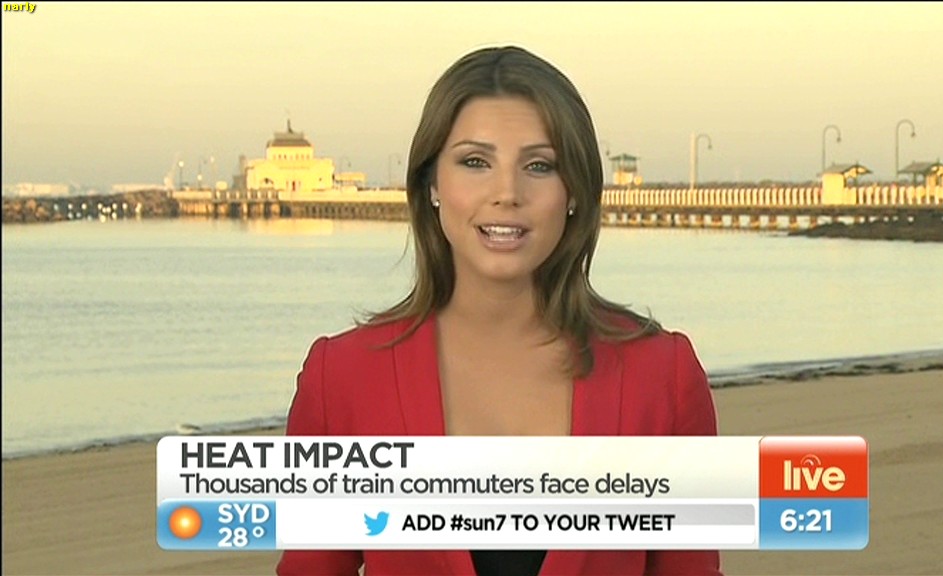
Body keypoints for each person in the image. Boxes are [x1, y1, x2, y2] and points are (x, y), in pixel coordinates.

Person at [277, 45, 721, 576]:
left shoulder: (662, 375)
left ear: (574, 191)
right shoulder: (342, 377)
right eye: (475, 162)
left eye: (539, 165)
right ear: (432, 184)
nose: (507, 193)